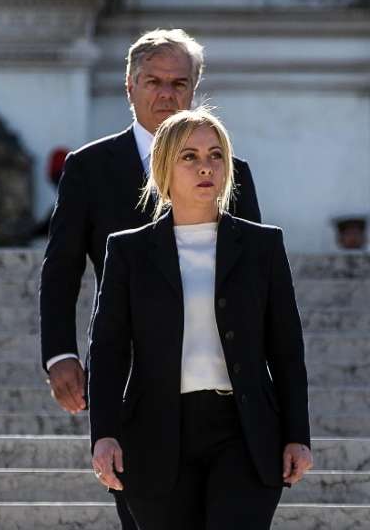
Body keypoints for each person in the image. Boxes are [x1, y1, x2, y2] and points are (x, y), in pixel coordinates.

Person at [39, 28, 261, 529]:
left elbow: (256, 282)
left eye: (179, 83)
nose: (166, 94)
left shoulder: (233, 172)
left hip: (223, 390)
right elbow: (61, 268)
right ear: (129, 86)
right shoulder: (90, 167)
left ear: (194, 89)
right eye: (153, 82)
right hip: (130, 379)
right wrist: (60, 354)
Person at [88, 108, 313, 530]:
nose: (205, 166)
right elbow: (107, 352)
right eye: (189, 156)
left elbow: (286, 349)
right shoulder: (129, 252)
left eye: (216, 155)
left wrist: (297, 434)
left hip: (245, 433)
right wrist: (103, 433)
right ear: (163, 167)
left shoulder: (263, 246)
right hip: (156, 434)